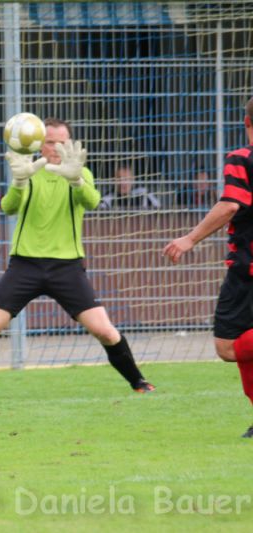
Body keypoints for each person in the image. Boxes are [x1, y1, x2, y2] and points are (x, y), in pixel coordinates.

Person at [0, 117, 154, 400]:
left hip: (67, 267)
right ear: (39, 145)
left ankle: (139, 382)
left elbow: (92, 202)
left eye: (61, 142)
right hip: (25, 265)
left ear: (70, 144)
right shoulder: (28, 170)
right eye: (50, 142)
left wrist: (76, 179)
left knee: (105, 331)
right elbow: (8, 207)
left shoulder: (80, 172)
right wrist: (19, 181)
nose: (55, 147)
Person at [163, 96, 253, 439]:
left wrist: (190, 238)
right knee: (244, 347)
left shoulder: (241, 158)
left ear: (245, 122)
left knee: (228, 346)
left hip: (247, 270)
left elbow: (230, 205)